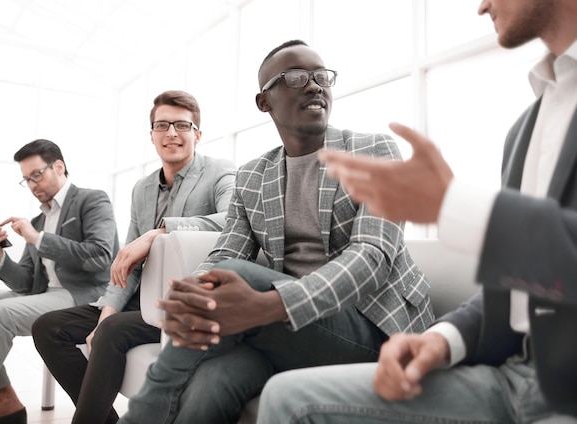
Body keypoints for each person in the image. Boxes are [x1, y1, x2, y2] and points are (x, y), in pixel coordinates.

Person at [256, 0, 577, 423]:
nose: (481, 6)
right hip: (514, 378)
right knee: (286, 398)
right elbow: (516, 294)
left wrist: (450, 204)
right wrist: (443, 340)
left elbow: (370, 258)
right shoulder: (526, 128)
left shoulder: (371, 146)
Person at [117, 39, 434, 424]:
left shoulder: (373, 151)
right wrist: (195, 292)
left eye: (322, 76)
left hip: (374, 330)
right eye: (297, 77)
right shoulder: (254, 175)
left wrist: (270, 304)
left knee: (237, 277)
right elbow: (226, 252)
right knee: (209, 388)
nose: (315, 85)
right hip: (287, 331)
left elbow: (373, 258)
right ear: (264, 101)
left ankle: (141, 414)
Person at [31, 90, 237, 424]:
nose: (172, 132)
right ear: (152, 135)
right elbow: (127, 262)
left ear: (197, 134)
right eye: (163, 125)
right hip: (138, 301)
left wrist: (161, 231)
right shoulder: (142, 189)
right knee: (48, 327)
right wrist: (107, 310)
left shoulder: (219, 172)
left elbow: (233, 218)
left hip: (181, 302)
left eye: (182, 125)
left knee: (112, 330)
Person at [0, 139, 118, 424]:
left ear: (59, 167)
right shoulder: (38, 221)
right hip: (45, 294)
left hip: (82, 295)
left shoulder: (92, 200)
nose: (32, 184)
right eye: (26, 179)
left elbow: (100, 257)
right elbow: (26, 283)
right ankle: (7, 403)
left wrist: (38, 239)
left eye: (36, 175)